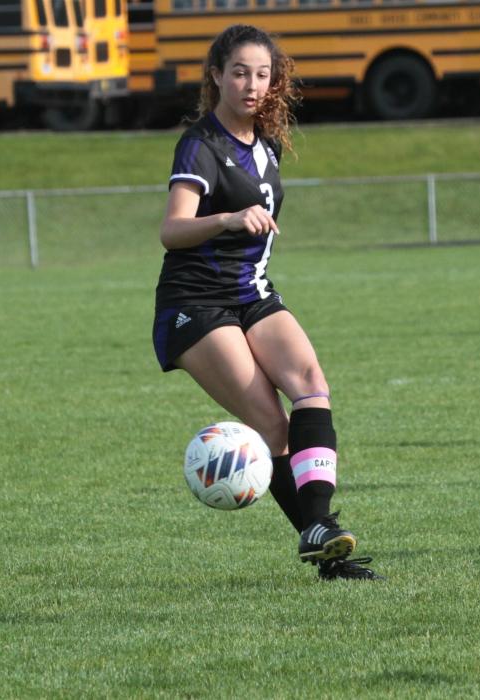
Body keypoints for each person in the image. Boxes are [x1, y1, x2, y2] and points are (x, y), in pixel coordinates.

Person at [151, 24, 381, 581]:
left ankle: (320, 530)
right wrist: (228, 218)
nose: (252, 84)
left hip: (252, 294)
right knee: (269, 424)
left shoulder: (268, 144)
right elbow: (171, 230)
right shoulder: (201, 145)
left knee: (311, 384)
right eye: (239, 72)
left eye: (262, 74)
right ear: (216, 77)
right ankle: (320, 539)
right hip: (195, 305)